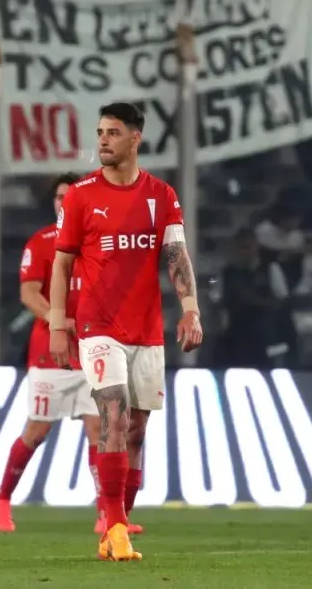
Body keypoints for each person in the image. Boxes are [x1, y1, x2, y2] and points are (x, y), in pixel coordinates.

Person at [49, 103, 204, 561]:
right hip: (99, 327)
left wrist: (191, 310)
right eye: (99, 132)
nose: (102, 141)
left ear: (135, 138)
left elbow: (176, 255)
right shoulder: (79, 196)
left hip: (147, 331)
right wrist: (60, 323)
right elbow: (61, 267)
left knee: (136, 430)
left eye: (112, 133)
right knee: (112, 414)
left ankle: (115, 525)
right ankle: (115, 525)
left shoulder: (161, 195)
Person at [0, 174, 142, 535]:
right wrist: (60, 322)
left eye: (69, 197)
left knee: (98, 427)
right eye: (58, 197)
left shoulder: (100, 243)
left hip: (92, 351)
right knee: (37, 430)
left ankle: (106, 513)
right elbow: (29, 294)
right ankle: (2, 497)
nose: (62, 202)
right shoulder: (41, 242)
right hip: (51, 352)